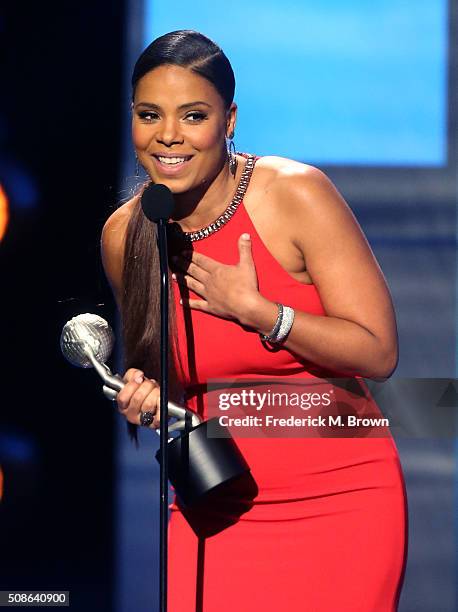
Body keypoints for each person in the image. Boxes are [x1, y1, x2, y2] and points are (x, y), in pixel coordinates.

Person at [101, 30, 408, 611]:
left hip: (343, 496)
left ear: (229, 119)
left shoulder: (295, 194)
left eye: (193, 115)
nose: (168, 136)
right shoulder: (126, 237)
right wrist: (144, 393)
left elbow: (378, 351)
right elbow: (169, 378)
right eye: (150, 115)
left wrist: (263, 313)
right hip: (214, 501)